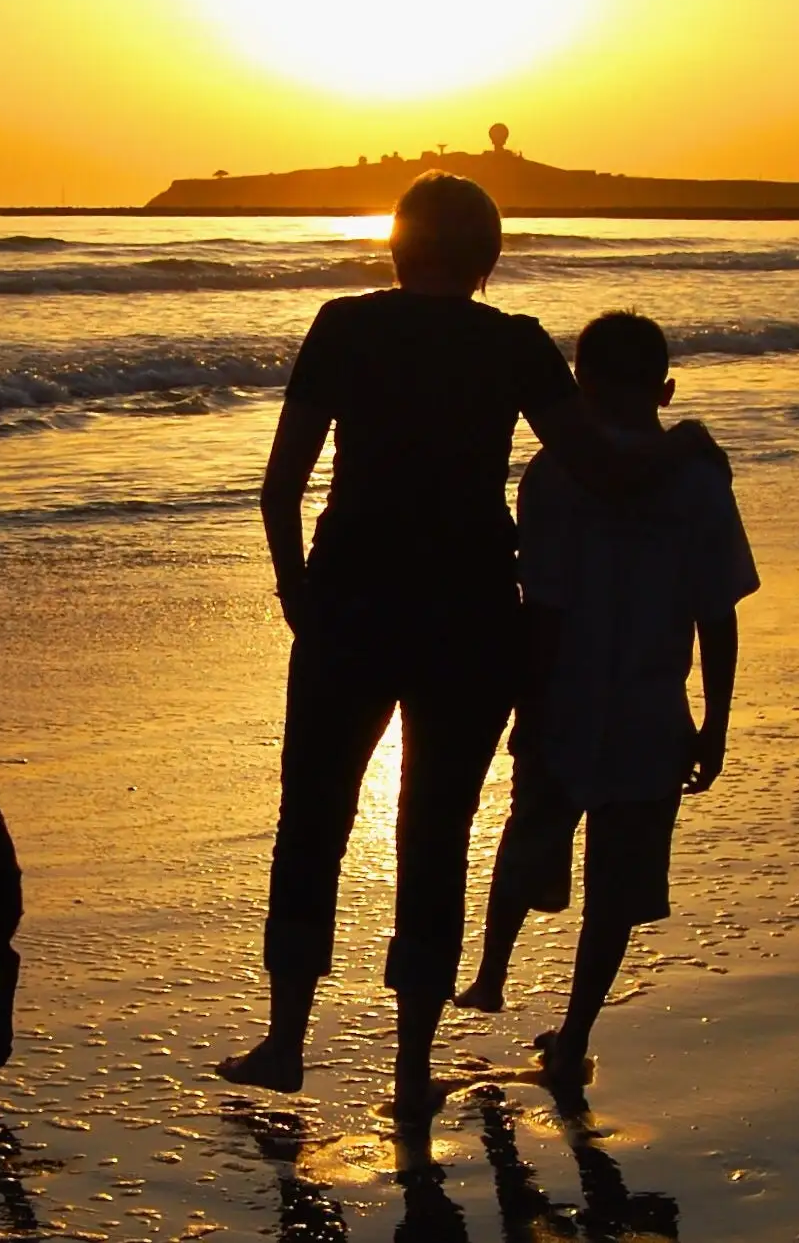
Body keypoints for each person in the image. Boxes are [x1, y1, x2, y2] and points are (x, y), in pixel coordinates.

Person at [217, 175, 718, 1119]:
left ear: (398, 250)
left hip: (351, 607)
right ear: (489, 259)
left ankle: (287, 1041)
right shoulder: (514, 344)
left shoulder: (344, 326)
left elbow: (280, 486)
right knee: (434, 835)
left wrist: (295, 593)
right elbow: (604, 471)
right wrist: (683, 439)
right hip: (473, 619)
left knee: (311, 827)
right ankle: (409, 1072)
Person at [453, 310, 757, 1098]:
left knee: (528, 843)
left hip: (567, 698)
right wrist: (715, 722)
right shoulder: (698, 478)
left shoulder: (553, 475)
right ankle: (575, 1032)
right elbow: (716, 613)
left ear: (579, 387)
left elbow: (543, 607)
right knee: (614, 893)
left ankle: (489, 973)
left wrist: (527, 708)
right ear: (665, 388)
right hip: (653, 711)